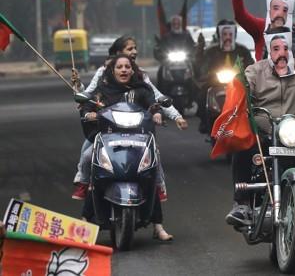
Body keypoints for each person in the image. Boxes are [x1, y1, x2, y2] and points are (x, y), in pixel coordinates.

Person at [225, 32, 295, 239]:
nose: (282, 53)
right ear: (269, 51)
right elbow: (241, 86)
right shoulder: (255, 70)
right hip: (265, 135)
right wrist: (239, 93)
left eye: (286, 48)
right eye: (276, 48)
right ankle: (241, 205)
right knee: (242, 150)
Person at [72, 35, 188, 201]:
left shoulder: (140, 77)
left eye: (135, 48)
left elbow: (155, 97)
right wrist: (80, 91)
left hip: (136, 130)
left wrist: (174, 116)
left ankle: (159, 186)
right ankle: (83, 181)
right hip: (109, 128)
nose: (134, 52)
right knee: (89, 151)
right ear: (118, 55)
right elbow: (89, 95)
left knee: (154, 154)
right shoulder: (103, 74)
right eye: (129, 49)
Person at [80, 54, 173, 241]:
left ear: (132, 70)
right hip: (109, 140)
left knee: (153, 169)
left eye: (127, 67)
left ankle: (158, 225)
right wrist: (89, 112)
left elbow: (153, 104)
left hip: (139, 140)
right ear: (112, 70)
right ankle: (84, 222)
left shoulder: (142, 90)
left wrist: (156, 113)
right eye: (119, 67)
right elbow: (88, 104)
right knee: (90, 158)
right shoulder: (102, 91)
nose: (123, 70)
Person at [195, 20, 254, 133]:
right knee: (202, 94)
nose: (227, 37)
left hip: (238, 83)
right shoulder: (211, 51)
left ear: (235, 35)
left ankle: (251, 124)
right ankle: (204, 121)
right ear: (219, 35)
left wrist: (249, 74)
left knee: (253, 96)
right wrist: (199, 51)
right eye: (224, 34)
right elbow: (202, 67)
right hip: (215, 82)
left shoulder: (243, 50)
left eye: (230, 34)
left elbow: (250, 66)